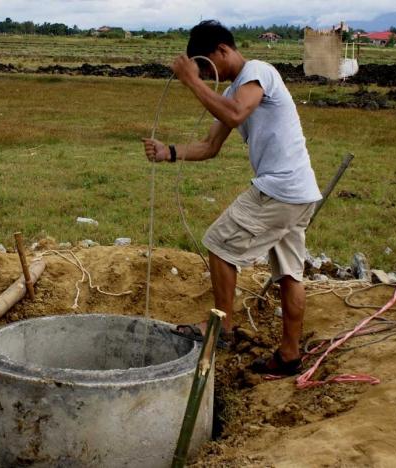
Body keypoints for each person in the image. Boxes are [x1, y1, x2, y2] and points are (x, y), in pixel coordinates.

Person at [142, 20, 322, 376]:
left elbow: (238, 113)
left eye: (208, 66)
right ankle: (289, 356)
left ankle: (222, 329)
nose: (209, 76)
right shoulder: (232, 92)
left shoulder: (257, 72)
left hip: (281, 189)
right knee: (289, 273)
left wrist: (191, 81)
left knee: (219, 243)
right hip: (299, 192)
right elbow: (210, 146)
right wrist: (170, 152)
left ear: (223, 50)